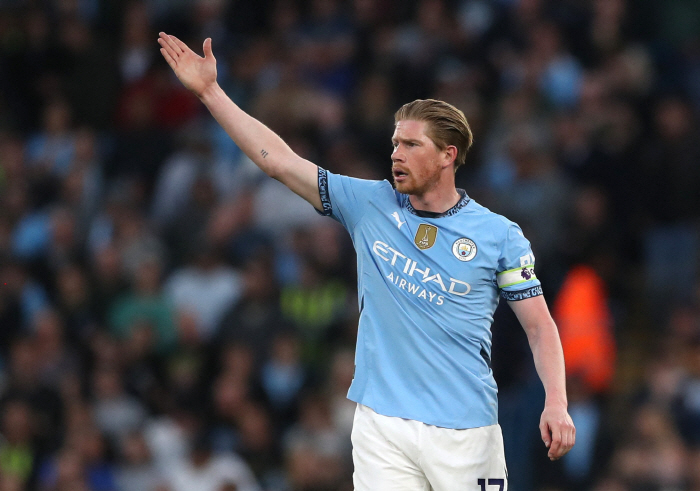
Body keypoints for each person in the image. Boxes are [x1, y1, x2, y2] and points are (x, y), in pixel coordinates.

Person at [157, 33, 575, 490]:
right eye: (395, 144)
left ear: (447, 156)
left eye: (411, 145)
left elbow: (540, 326)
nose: (396, 154)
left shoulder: (498, 235)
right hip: (382, 424)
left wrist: (556, 401)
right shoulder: (370, 204)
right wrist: (210, 93)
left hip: (464, 430)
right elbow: (280, 162)